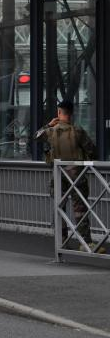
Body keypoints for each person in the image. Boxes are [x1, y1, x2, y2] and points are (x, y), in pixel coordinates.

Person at [36, 99, 99, 252]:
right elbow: (92, 150)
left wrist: (49, 124)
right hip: (77, 176)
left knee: (60, 208)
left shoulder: (50, 132)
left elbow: (36, 136)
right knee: (80, 209)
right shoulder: (78, 131)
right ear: (72, 113)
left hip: (58, 176)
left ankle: (61, 241)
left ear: (59, 112)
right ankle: (86, 243)